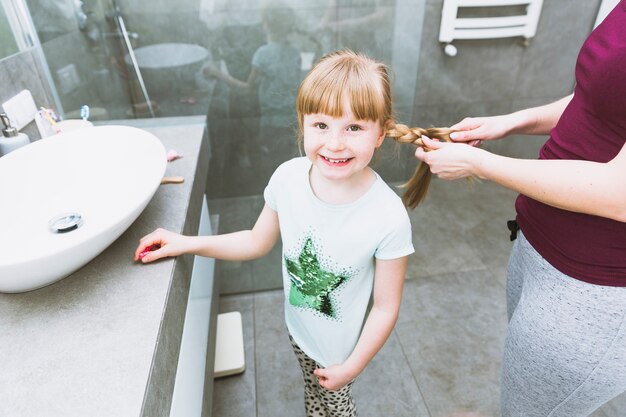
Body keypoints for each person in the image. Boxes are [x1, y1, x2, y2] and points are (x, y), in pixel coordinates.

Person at [135, 50, 416, 417]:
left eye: (354, 127)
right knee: (312, 391)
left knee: (337, 408)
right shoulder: (287, 179)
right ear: (303, 123)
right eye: (321, 126)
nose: (335, 143)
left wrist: (351, 367)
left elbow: (385, 306)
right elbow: (256, 241)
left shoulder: (388, 216)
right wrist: (185, 242)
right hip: (298, 328)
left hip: (339, 352)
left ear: (380, 132)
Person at [414, 2, 626, 416]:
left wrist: (479, 164)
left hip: (594, 289)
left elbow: (621, 193)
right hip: (539, 245)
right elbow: (601, 100)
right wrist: (510, 122)